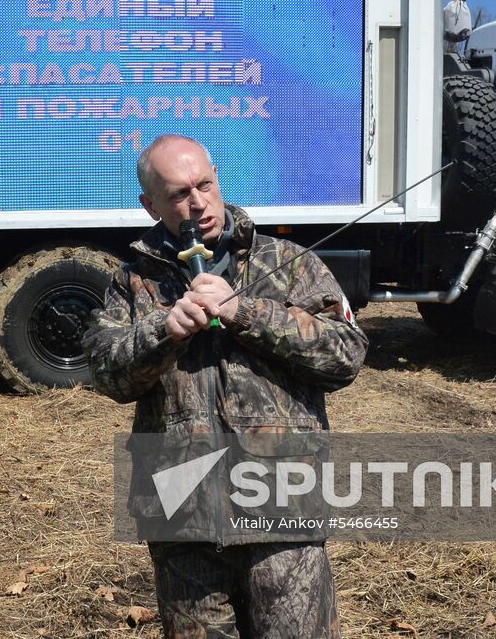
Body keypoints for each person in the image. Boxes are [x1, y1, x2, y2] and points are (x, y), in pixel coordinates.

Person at [84, 134, 368, 638]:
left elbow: (345, 355)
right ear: (149, 204)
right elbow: (107, 373)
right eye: (178, 194)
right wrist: (163, 330)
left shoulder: (290, 262)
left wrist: (245, 310)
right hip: (181, 515)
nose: (198, 203)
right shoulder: (131, 283)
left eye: (205, 185)